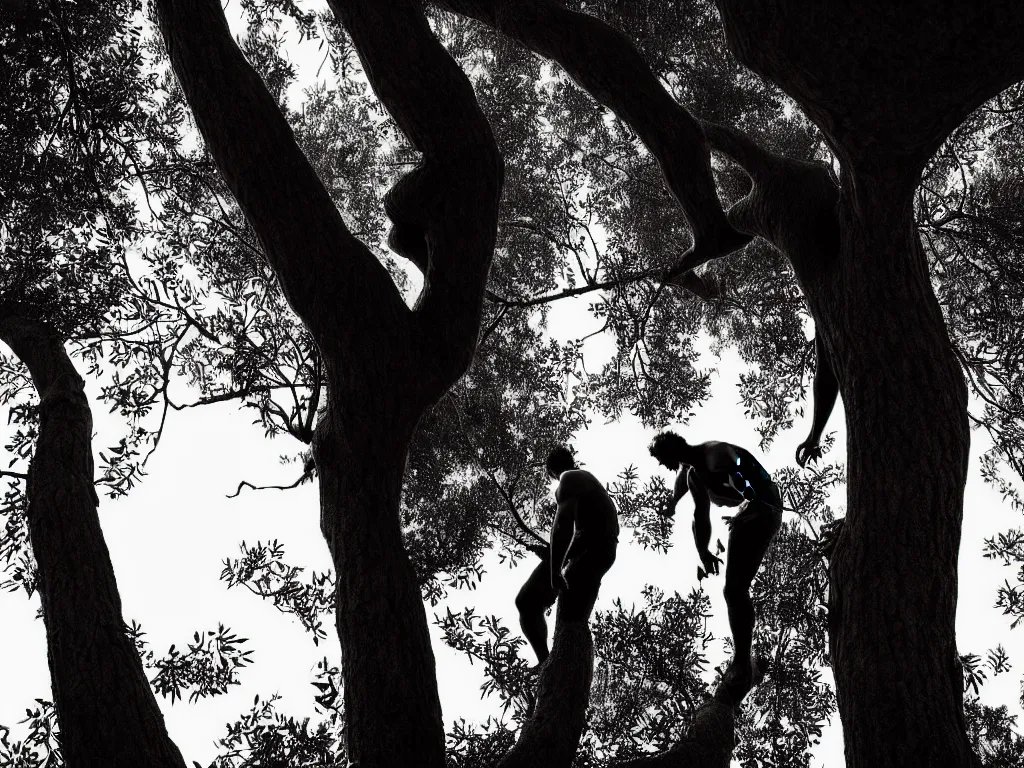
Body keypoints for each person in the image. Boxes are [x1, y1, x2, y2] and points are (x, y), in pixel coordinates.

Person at [649, 430, 782, 689]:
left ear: (673, 450)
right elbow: (700, 515)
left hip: (764, 507)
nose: (661, 464)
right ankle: (742, 660)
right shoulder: (694, 474)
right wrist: (703, 552)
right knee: (733, 590)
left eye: (661, 457)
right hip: (748, 513)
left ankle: (742, 662)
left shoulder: (715, 454)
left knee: (734, 589)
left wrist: (751, 506)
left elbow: (746, 480)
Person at [515, 446, 619, 665]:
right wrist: (551, 556)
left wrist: (554, 571)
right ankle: (552, 665)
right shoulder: (587, 482)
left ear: (551, 472)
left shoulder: (569, 478)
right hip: (600, 551)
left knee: (526, 601)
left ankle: (546, 662)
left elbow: (563, 524)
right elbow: (587, 530)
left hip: (592, 549)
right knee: (570, 619)